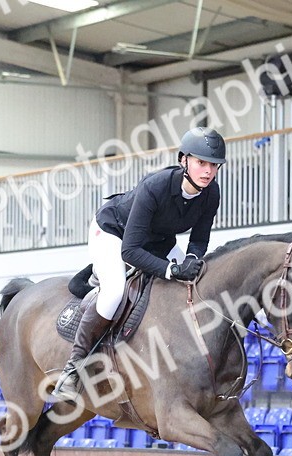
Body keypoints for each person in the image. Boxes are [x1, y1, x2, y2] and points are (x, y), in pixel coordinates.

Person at [52, 126, 226, 402]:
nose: (207, 171)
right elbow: (130, 250)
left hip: (158, 239)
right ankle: (73, 369)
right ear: (184, 160)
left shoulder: (211, 193)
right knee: (114, 293)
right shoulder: (156, 186)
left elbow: (199, 238)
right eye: (201, 163)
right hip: (114, 233)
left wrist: (191, 260)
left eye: (214, 166)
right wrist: (170, 269)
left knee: (195, 282)